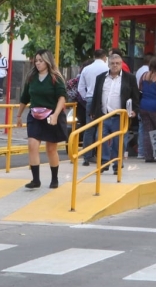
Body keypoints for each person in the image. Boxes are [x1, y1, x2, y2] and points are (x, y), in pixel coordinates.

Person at [16, 50, 68, 189]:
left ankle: (54, 178)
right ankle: (35, 180)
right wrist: (19, 115)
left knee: (51, 149)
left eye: (41, 61)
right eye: (36, 61)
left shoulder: (55, 78)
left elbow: (62, 97)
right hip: (35, 115)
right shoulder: (31, 78)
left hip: (51, 115)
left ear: (48, 61)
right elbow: (25, 98)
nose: (38, 63)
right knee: (32, 145)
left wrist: (56, 115)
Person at [90, 54, 139, 174]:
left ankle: (117, 165)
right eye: (112, 63)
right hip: (104, 115)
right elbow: (96, 95)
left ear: (121, 64)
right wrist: (93, 111)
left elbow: (136, 97)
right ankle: (104, 162)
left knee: (119, 142)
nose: (115, 65)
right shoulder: (101, 78)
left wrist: (134, 111)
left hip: (120, 116)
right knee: (99, 138)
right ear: (109, 64)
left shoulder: (130, 78)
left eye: (117, 63)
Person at [77, 49, 109, 165]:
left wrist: (87, 98)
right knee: (102, 128)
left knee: (89, 128)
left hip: (90, 99)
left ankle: (87, 156)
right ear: (104, 57)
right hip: (103, 100)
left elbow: (80, 88)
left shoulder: (86, 69)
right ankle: (101, 154)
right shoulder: (106, 69)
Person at [138, 56, 156, 163]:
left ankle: (148, 156)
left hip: (144, 105)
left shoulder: (144, 76)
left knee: (147, 132)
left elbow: (140, 89)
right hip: (155, 107)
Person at [134, 53, 154, 160]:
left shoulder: (139, 71)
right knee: (147, 128)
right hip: (147, 102)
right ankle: (145, 151)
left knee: (142, 127)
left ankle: (141, 151)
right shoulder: (148, 73)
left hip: (140, 100)